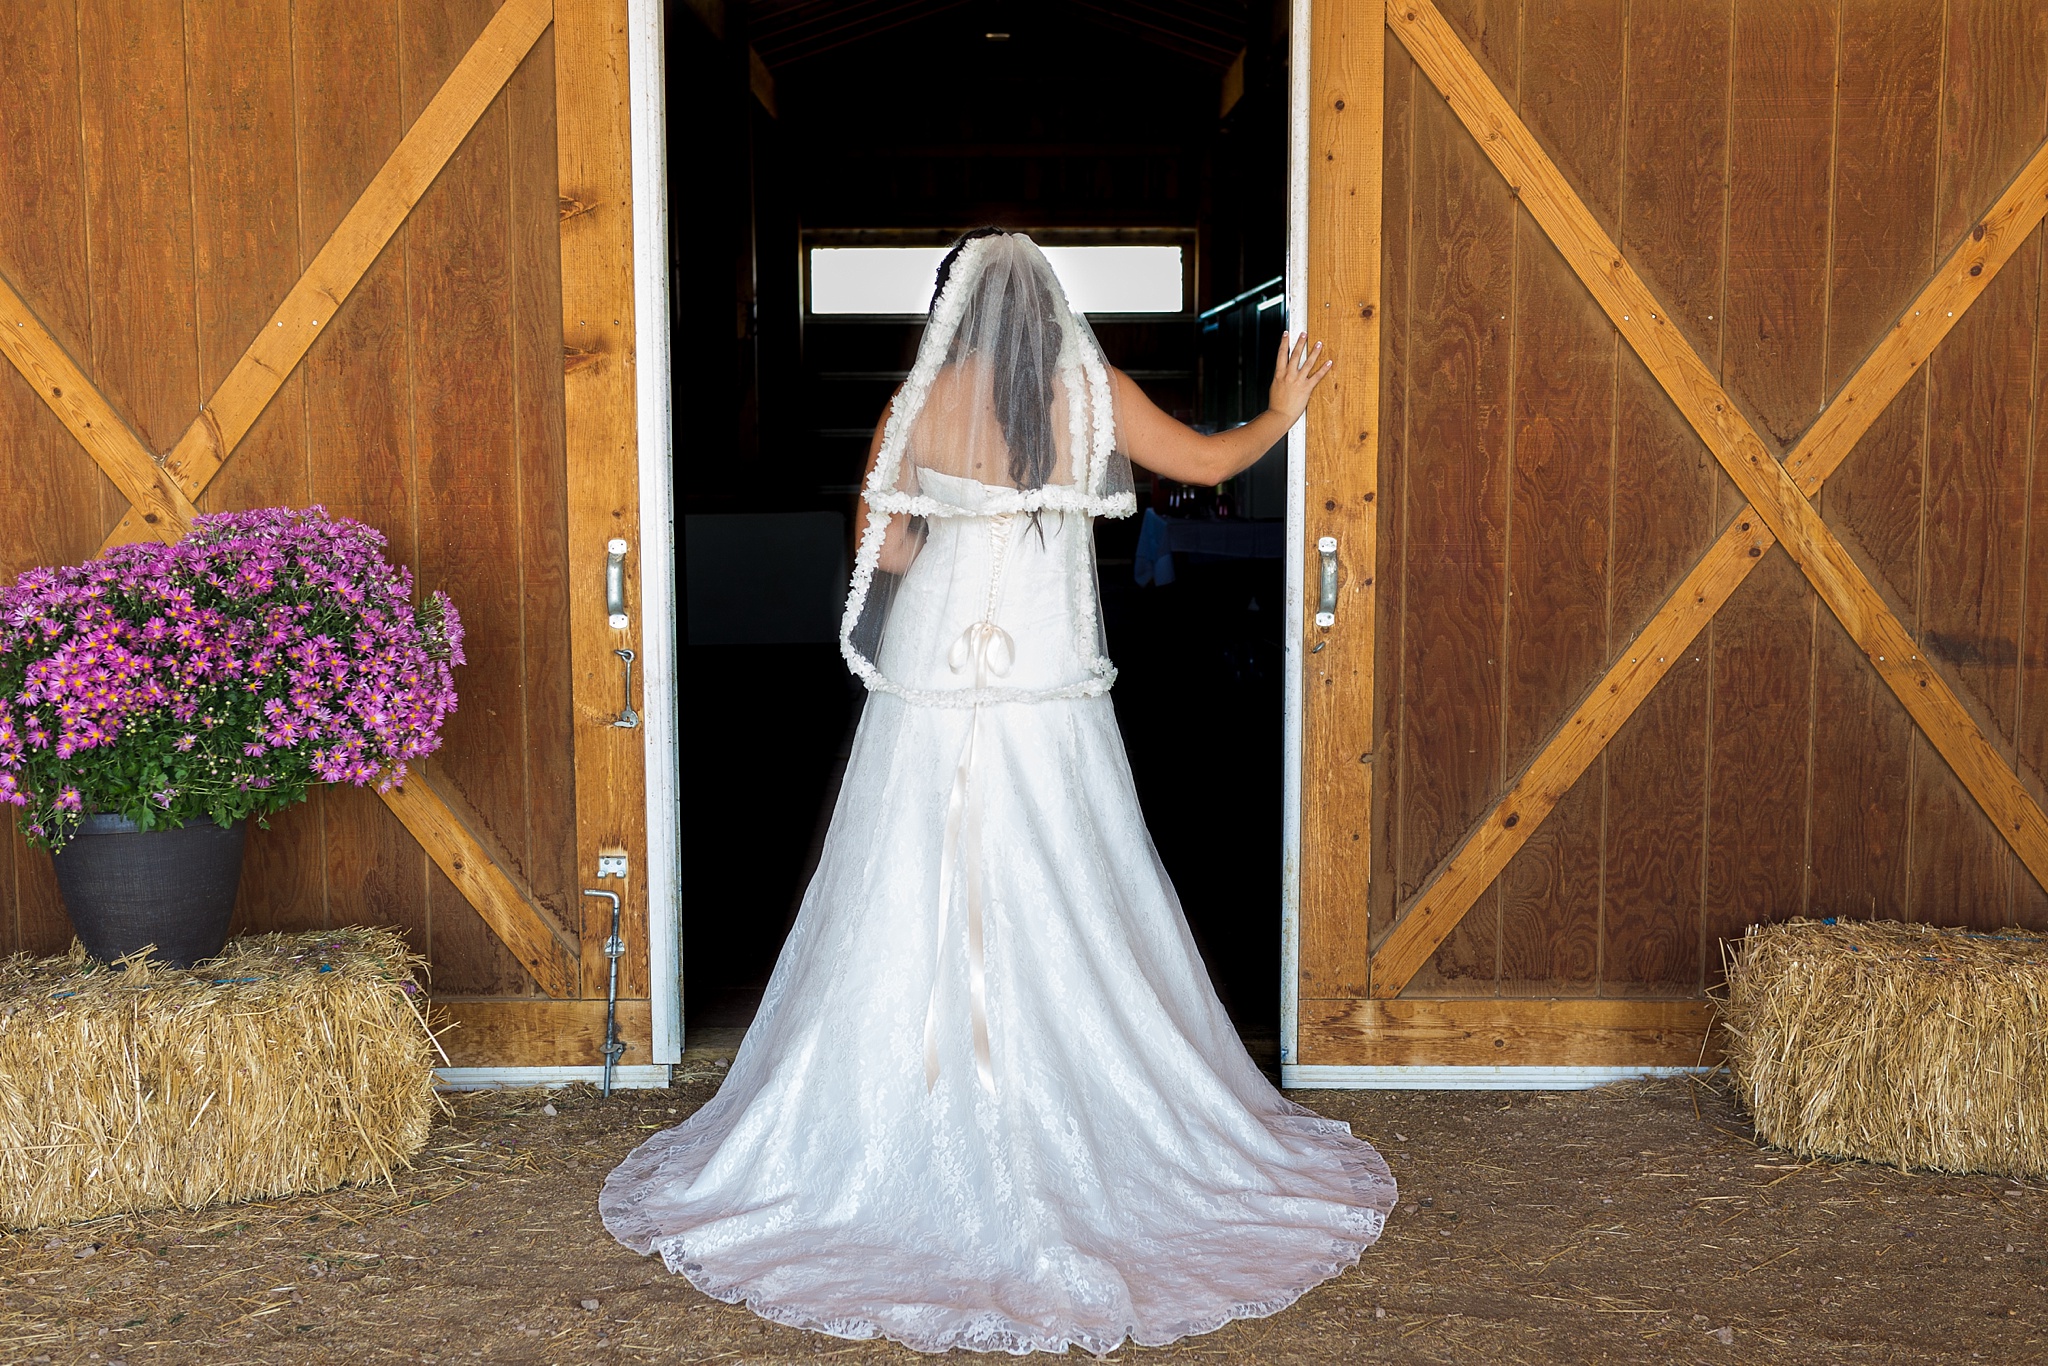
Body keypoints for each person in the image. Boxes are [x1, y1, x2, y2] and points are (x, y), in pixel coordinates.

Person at [602, 228, 1395, 1355]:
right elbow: (1210, 466)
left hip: (935, 671)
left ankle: (904, 1097)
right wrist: (1275, 411)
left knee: (900, 870)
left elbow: (883, 562)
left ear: (947, 310)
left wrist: (934, 513)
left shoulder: (911, 404)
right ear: (1048, 309)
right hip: (1038, 674)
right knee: (1064, 865)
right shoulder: (1090, 385)